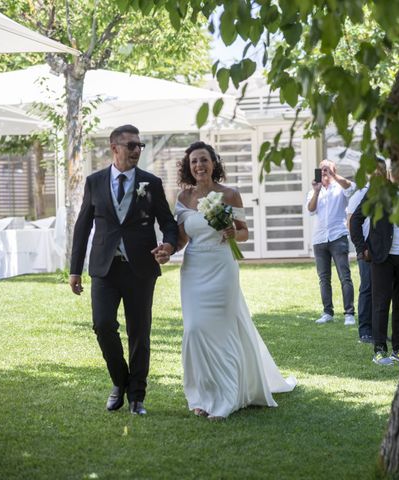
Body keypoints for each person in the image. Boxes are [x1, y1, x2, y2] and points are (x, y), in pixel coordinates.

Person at [171, 141, 296, 420]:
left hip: (221, 267)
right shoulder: (183, 197)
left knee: (222, 331)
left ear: (213, 163)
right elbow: (180, 239)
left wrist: (230, 232)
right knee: (194, 330)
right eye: (193, 161)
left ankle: (228, 398)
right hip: (193, 269)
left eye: (203, 160)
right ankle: (202, 396)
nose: (199, 165)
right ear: (188, 167)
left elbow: (244, 234)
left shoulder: (230, 194)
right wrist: (166, 249)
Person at [69, 124, 178, 415]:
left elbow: (168, 223)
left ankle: (137, 397)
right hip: (104, 268)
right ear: (114, 147)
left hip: (140, 269)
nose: (136, 151)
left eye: (139, 146)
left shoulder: (150, 183)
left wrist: (168, 245)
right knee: (103, 325)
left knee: (139, 332)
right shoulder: (94, 181)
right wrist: (75, 269)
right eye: (131, 145)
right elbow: (83, 226)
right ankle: (120, 381)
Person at [350, 168, 399, 366]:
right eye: (394, 168)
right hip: (382, 257)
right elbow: (356, 220)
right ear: (388, 172)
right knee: (381, 303)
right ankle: (379, 350)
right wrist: (362, 248)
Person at [306, 159, 356, 325]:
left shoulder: (340, 188)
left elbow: (351, 187)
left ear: (333, 171)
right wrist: (316, 191)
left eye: (327, 170)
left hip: (338, 236)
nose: (324, 172)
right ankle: (328, 312)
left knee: (345, 276)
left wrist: (334, 176)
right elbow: (311, 209)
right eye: (322, 170)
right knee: (324, 278)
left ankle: (349, 313)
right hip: (319, 238)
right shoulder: (315, 189)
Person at [346, 158, 388, 344]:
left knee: (382, 290)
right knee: (367, 287)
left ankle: (378, 330)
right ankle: (365, 330)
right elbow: (352, 222)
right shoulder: (360, 194)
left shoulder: (388, 193)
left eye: (382, 170)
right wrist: (361, 248)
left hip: (382, 249)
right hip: (366, 249)